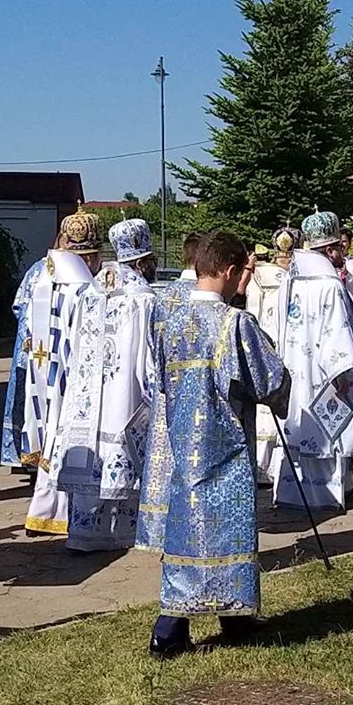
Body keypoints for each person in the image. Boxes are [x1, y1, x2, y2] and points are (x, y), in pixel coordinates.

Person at [135, 232, 290, 659]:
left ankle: (222, 620)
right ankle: (170, 629)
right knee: (227, 533)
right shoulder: (234, 323)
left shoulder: (171, 321)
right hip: (225, 447)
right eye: (242, 272)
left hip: (182, 446)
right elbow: (270, 381)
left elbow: (163, 383)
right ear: (228, 270)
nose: (243, 280)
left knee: (188, 534)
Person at [48, 218, 159, 552]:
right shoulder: (145, 298)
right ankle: (125, 534)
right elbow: (152, 358)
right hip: (125, 395)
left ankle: (84, 535)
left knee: (92, 461)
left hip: (86, 395)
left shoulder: (91, 292)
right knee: (124, 456)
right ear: (142, 262)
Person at [271, 211, 353, 513]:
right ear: (330, 249)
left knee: (298, 425)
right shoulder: (329, 284)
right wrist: (341, 374)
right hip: (324, 372)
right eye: (339, 248)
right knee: (327, 431)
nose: (342, 254)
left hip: (295, 369)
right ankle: (325, 496)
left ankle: (292, 493)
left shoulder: (290, 280)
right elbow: (336, 333)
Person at [21, 213, 106, 535]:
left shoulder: (43, 281)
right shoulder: (87, 290)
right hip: (74, 382)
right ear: (92, 256)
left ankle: (43, 511)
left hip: (44, 378)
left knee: (52, 441)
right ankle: (67, 516)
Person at [246, 228, 297, 487]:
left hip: (266, 338)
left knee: (264, 407)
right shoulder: (299, 276)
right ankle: (278, 466)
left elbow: (252, 310)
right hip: (287, 342)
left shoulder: (259, 275)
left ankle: (263, 463)